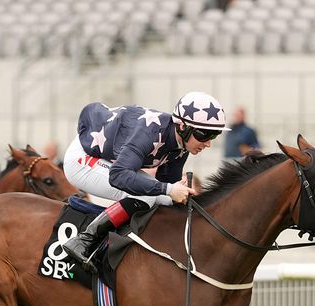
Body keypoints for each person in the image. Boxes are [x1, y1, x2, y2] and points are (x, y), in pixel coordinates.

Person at [60, 92, 227, 269]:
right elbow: (118, 175)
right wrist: (170, 190)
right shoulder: (149, 133)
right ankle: (84, 240)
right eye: (204, 135)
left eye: (214, 136)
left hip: (108, 158)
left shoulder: (181, 146)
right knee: (145, 197)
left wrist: (178, 195)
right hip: (82, 158)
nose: (208, 143)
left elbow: (167, 190)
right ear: (183, 127)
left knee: (163, 198)